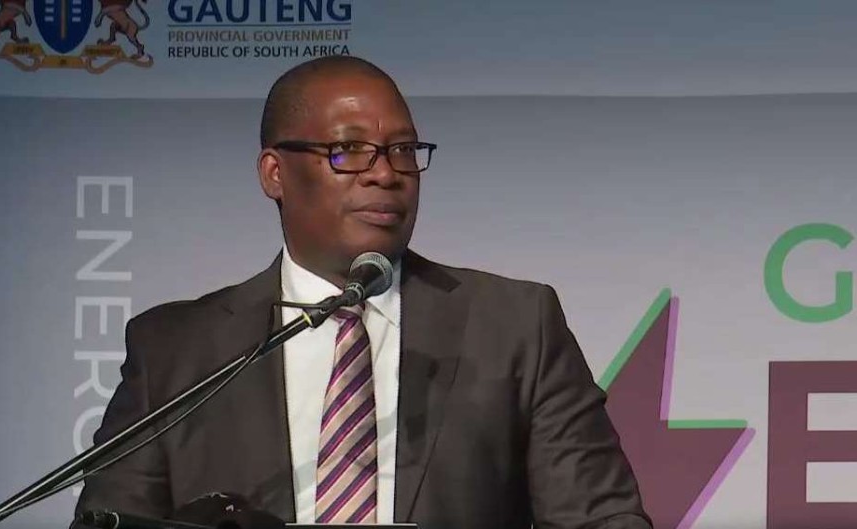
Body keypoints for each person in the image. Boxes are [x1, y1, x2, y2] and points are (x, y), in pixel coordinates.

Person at [74, 56, 651, 529]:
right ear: (275, 173)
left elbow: (601, 519)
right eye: (348, 151)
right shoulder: (174, 351)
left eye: (404, 151)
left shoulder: (514, 325)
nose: (385, 173)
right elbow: (112, 521)